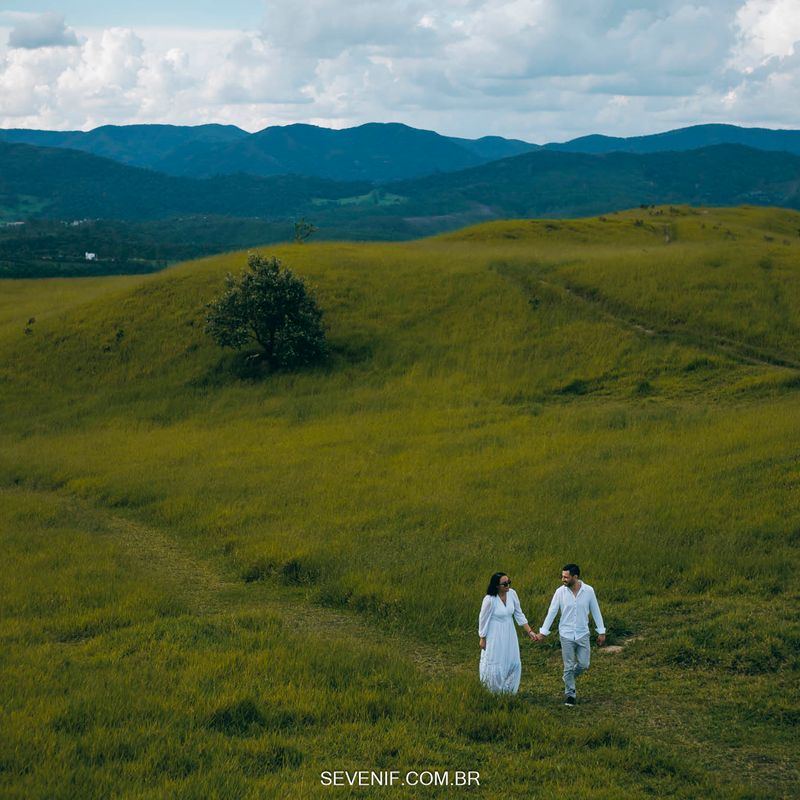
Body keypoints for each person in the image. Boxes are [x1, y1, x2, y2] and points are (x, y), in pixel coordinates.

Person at [533, 564, 605, 706]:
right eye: (562, 576)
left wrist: (601, 631)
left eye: (566, 577)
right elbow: (552, 612)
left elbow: (595, 610)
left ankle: (568, 677)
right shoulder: (560, 592)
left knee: (584, 664)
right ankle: (570, 694)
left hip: (582, 634)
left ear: (575, 577)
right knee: (568, 666)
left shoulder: (588, 591)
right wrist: (543, 633)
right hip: (565, 635)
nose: (563, 579)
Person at [479, 572, 537, 693]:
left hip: (509, 631)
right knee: (496, 660)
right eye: (504, 584)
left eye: (509, 582)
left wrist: (529, 631)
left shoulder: (512, 594)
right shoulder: (489, 600)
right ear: (496, 586)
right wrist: (482, 637)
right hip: (495, 633)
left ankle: (509, 690)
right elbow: (483, 620)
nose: (507, 586)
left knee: (513, 660)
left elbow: (518, 613)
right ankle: (492, 690)